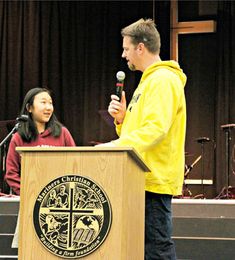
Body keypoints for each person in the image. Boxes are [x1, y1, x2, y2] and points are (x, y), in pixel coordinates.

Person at [99, 18, 187, 259]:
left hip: (152, 180)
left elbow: (156, 129)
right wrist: (122, 120)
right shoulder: (147, 82)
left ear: (140, 47)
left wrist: (115, 146)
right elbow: (139, 130)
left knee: (156, 249)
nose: (124, 54)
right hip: (140, 179)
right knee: (143, 249)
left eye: (127, 48)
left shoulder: (162, 80)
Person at [5, 87, 76, 195]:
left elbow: (75, 165)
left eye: (50, 103)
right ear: (29, 108)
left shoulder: (63, 133)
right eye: (43, 103)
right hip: (29, 197)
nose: (48, 107)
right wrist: (29, 193)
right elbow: (11, 174)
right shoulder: (18, 137)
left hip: (59, 197)